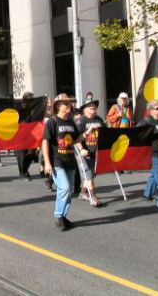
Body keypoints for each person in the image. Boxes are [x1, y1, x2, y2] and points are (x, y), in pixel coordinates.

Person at [43, 93, 80, 230]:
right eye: (65, 103)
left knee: (69, 191)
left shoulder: (71, 122)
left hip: (70, 161)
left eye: (69, 103)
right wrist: (47, 162)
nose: (69, 105)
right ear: (58, 106)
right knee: (64, 188)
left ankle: (63, 217)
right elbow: (45, 142)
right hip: (57, 161)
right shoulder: (52, 122)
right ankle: (58, 215)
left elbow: (76, 139)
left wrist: (87, 134)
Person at [75, 94, 106, 206]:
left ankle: (83, 193)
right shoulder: (80, 121)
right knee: (88, 174)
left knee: (90, 173)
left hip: (96, 152)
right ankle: (93, 198)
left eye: (94, 107)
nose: (93, 109)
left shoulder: (99, 120)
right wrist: (81, 149)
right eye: (91, 108)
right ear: (85, 109)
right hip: (83, 152)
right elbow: (76, 137)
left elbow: (105, 134)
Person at [15, 91, 36, 180]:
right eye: (30, 100)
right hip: (19, 134)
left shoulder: (34, 108)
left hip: (31, 134)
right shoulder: (18, 107)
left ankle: (24, 170)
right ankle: (22, 173)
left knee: (31, 153)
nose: (31, 101)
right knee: (21, 155)